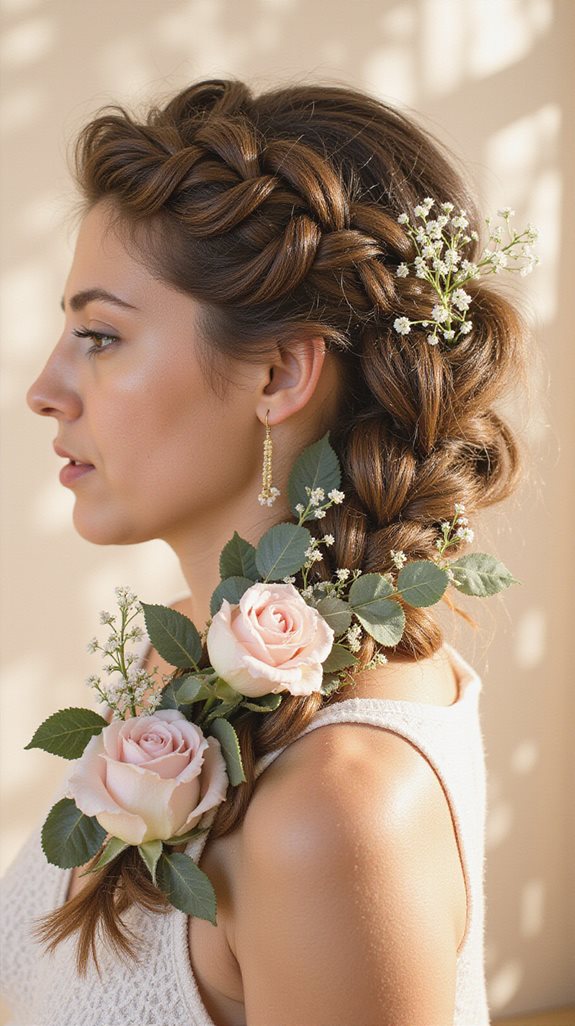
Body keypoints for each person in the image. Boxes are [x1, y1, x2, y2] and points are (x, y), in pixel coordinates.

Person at [1, 77, 530, 1026]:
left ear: (279, 372)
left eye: (100, 335)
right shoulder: (219, 661)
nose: (45, 388)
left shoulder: (335, 815)